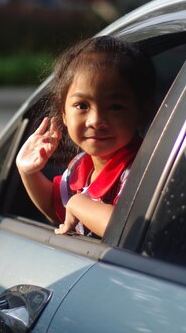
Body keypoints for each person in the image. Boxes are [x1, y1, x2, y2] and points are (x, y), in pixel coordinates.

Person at [15, 36, 156, 237]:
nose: (96, 120)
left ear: (142, 113)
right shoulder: (82, 165)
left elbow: (124, 227)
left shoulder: (139, 168)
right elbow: (57, 208)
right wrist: (27, 171)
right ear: (63, 114)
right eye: (82, 106)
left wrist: (78, 202)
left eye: (115, 107)